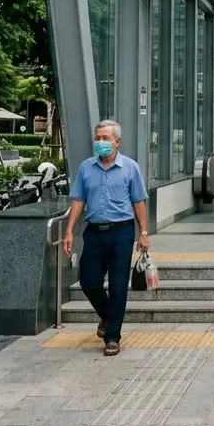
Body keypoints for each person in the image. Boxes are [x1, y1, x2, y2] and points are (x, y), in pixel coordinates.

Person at [62, 120, 150, 357]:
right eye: (97, 137)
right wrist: (69, 231)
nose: (99, 142)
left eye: (104, 138)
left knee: (119, 286)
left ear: (116, 141)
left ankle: (112, 337)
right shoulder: (86, 168)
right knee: (88, 281)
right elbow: (78, 201)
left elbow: (138, 201)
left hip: (122, 232)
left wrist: (143, 232)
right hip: (93, 231)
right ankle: (108, 316)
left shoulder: (130, 168)